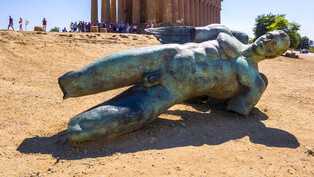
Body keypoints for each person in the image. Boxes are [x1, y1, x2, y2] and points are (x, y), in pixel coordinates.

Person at [58, 26, 290, 143]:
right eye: (270, 36)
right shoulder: (228, 34)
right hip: (167, 54)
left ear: (274, 55)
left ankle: (80, 128)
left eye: (274, 45)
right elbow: (190, 33)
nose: (267, 41)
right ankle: (72, 84)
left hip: (177, 88)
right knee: (103, 70)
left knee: (98, 124)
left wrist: (251, 95)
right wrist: (163, 32)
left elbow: (232, 108)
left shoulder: (255, 82)